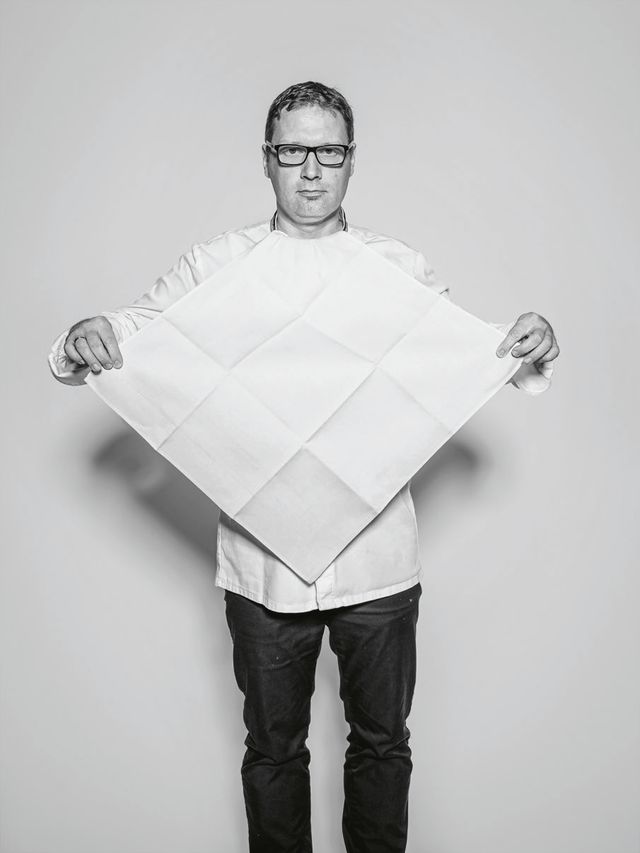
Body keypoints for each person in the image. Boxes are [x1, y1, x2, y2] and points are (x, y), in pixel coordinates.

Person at [48, 81, 560, 853]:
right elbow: (130, 335)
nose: (312, 170)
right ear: (267, 159)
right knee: (272, 749)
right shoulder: (217, 265)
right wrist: (82, 338)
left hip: (378, 565)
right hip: (261, 568)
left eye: (329, 151)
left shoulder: (394, 267)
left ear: (352, 160)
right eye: (293, 151)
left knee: (382, 744)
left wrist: (528, 341)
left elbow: (464, 351)